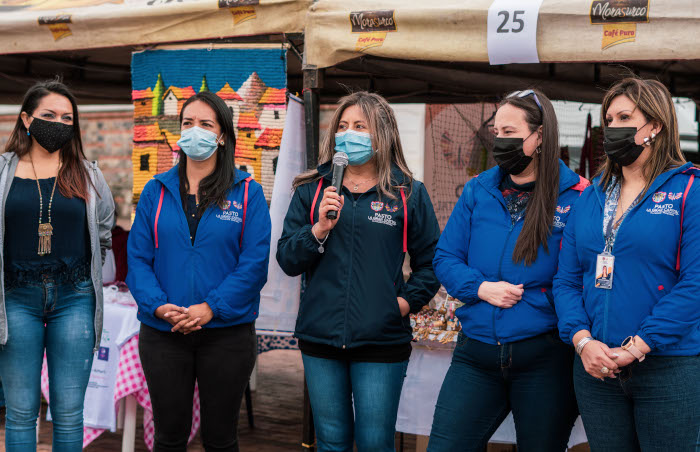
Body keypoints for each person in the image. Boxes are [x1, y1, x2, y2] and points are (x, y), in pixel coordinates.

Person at [276, 91, 440, 452]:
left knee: (375, 443)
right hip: (320, 338)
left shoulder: (407, 193)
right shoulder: (311, 190)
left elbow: (432, 263)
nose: (348, 133)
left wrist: (400, 304)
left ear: (381, 134)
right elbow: (287, 259)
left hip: (381, 339)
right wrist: (317, 230)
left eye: (360, 127)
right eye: (343, 126)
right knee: (331, 442)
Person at [428, 89, 586, 452]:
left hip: (544, 360)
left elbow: (577, 278)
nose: (499, 141)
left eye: (510, 132)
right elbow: (445, 258)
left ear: (540, 136)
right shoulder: (477, 189)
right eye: (496, 132)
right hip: (476, 355)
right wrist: (481, 288)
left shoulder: (578, 196)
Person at [554, 77, 700, 451]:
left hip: (668, 367)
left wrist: (639, 346)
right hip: (596, 369)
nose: (612, 128)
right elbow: (567, 280)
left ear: (655, 125)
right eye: (609, 120)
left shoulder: (690, 190)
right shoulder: (590, 196)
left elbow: (695, 283)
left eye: (624, 118)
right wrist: (583, 341)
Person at [127, 91, 271, 452]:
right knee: (168, 437)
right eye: (188, 123)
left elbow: (253, 265)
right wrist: (159, 306)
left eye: (206, 124)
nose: (195, 131)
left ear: (222, 135)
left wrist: (211, 307)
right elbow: (138, 260)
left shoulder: (248, 193)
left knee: (221, 439)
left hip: (227, 333)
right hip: (163, 331)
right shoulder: (154, 192)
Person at [0, 80, 114, 451]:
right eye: (49, 115)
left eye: (67, 117)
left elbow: (102, 235)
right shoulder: (2, 172)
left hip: (74, 297)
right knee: (20, 412)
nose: (59, 123)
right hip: (15, 297)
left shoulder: (89, 174)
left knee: (68, 413)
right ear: (26, 119)